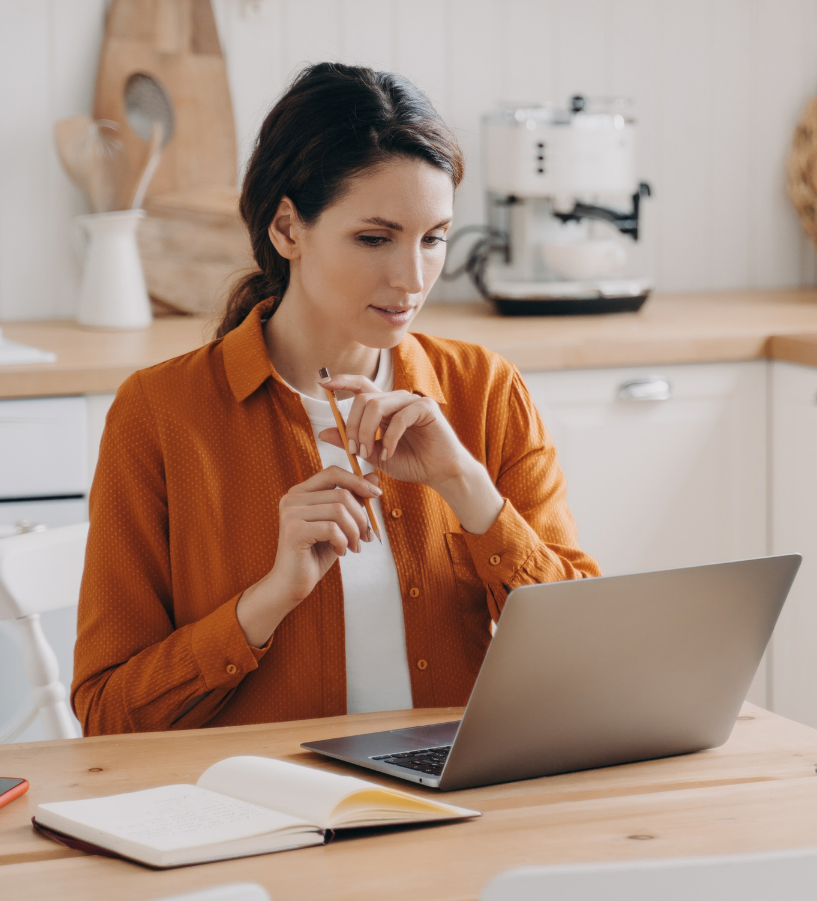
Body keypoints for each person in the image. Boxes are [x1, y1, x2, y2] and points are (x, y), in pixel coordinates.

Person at [72, 63, 599, 735]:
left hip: (458, 808)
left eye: (433, 239)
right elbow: (108, 717)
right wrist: (267, 601)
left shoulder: (485, 390)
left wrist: (469, 489)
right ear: (288, 229)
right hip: (261, 813)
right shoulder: (159, 413)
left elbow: (584, 659)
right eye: (374, 238)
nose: (412, 278)